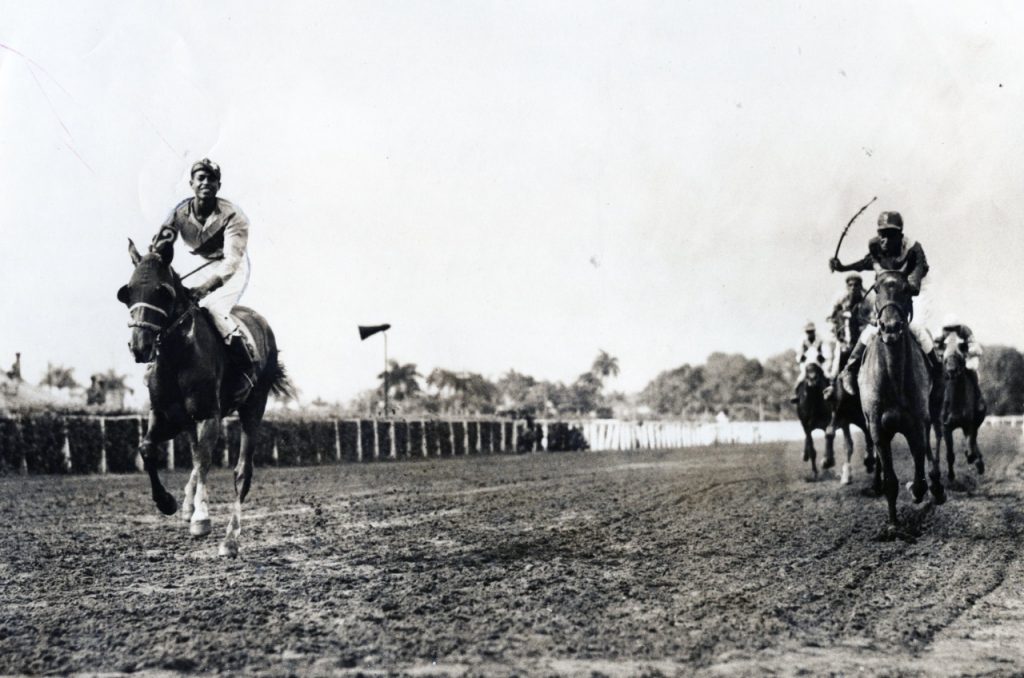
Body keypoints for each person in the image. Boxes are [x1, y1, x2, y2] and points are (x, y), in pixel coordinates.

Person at [150, 158, 256, 397]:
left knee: (214, 310)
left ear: (218, 185)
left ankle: (245, 368)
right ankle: (156, 365)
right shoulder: (178, 213)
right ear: (192, 183)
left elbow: (231, 261)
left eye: (211, 179)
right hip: (202, 264)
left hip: (231, 268)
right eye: (201, 178)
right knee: (174, 307)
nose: (206, 183)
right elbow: (160, 245)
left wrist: (205, 288)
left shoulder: (234, 215)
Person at [829, 210, 939, 393]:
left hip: (915, 287)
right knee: (875, 326)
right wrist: (842, 267)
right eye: (882, 235)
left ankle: (938, 370)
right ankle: (850, 368)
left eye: (891, 235)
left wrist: (900, 286)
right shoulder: (875, 246)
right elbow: (866, 263)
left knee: (916, 327)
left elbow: (915, 282)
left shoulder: (914, 248)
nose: (885, 240)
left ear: (900, 236)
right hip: (892, 287)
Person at [937, 313, 986, 414]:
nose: (952, 331)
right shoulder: (941, 333)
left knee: (971, 367)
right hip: (948, 358)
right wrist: (942, 355)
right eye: (949, 329)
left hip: (964, 357)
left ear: (959, 327)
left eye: (955, 328)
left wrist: (967, 353)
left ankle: (978, 398)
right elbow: (936, 346)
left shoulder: (965, 330)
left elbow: (973, 345)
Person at [791, 321, 829, 403]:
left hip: (818, 364)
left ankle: (831, 395)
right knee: (801, 377)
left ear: (814, 331)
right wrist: (801, 357)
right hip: (806, 364)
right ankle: (796, 394)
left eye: (811, 331)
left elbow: (826, 352)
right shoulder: (802, 341)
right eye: (808, 332)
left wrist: (822, 357)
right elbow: (798, 354)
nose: (810, 333)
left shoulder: (820, 340)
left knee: (827, 376)